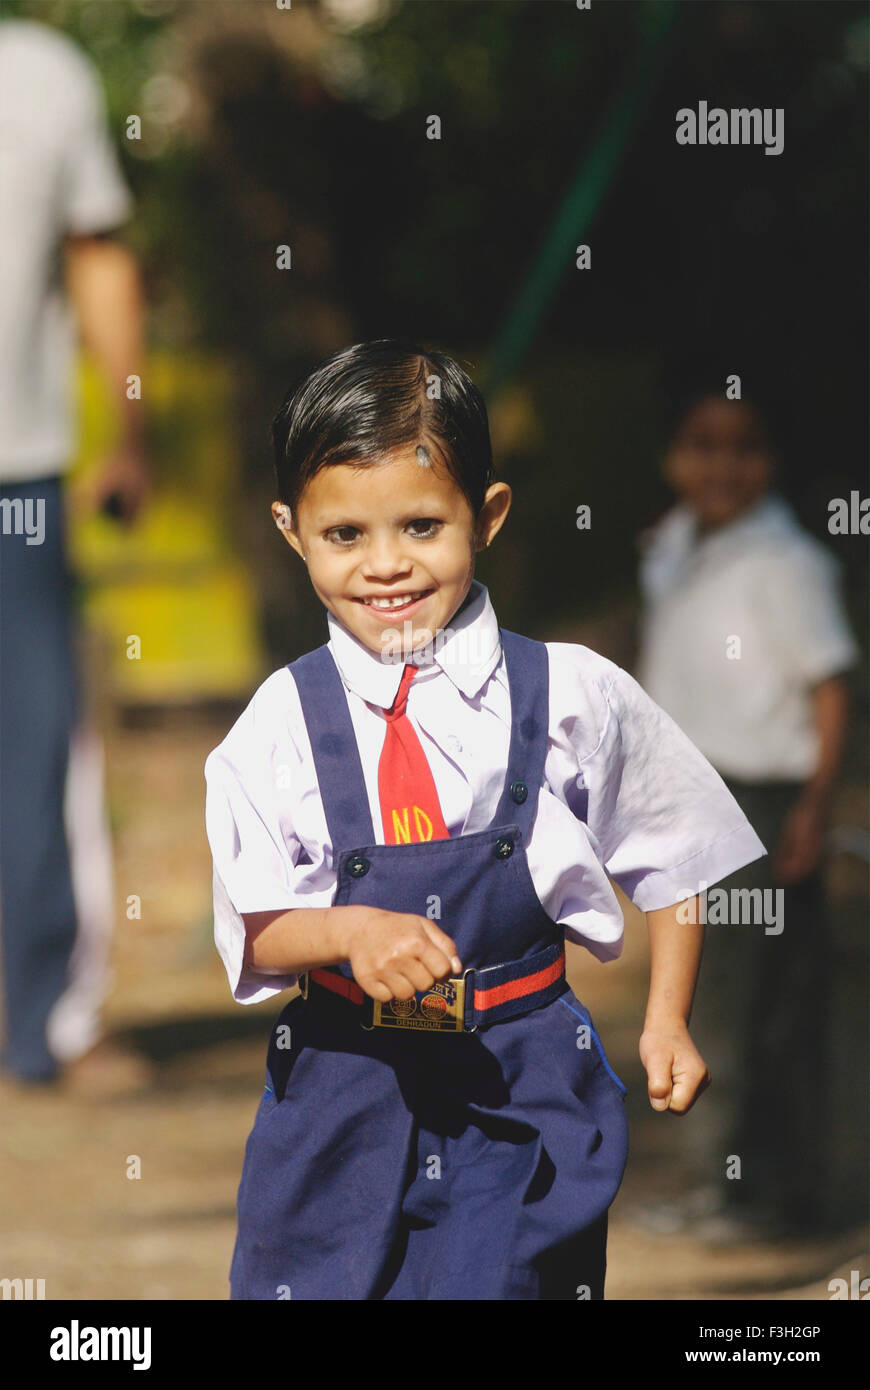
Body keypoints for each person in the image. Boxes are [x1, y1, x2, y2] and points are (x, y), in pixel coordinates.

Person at [204, 339, 767, 1300]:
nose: (387, 566)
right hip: (346, 1087)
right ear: (293, 533)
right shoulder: (277, 727)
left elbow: (679, 853)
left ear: (488, 515)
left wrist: (668, 1017)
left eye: (422, 526)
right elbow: (258, 921)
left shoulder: (572, 694)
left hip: (521, 1079)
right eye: (345, 536)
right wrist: (350, 931)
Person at [636, 381, 859, 1238]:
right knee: (706, 997)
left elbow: (829, 686)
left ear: (770, 459)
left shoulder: (786, 562)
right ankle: (720, 1181)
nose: (721, 465)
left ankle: (769, 1192)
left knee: (761, 1000)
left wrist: (813, 806)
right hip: (690, 797)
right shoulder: (675, 546)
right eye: (701, 443)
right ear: (671, 457)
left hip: (761, 807)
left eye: (743, 446)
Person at [0, 18, 149, 1091]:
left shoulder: (44, 73)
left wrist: (127, 425)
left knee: (40, 740)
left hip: (21, 474)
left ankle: (47, 1017)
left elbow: (97, 252)